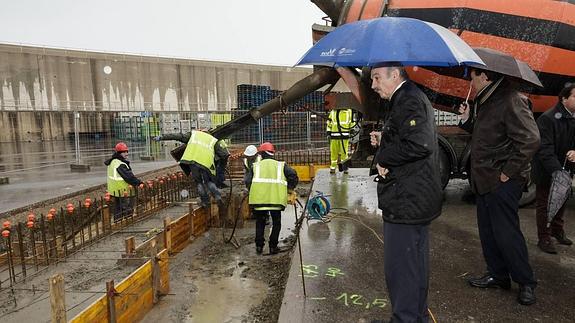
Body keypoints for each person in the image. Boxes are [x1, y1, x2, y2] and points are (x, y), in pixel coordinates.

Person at [458, 68, 540, 305]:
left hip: (501, 181)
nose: (470, 82)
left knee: (506, 233)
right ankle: (498, 275)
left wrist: (507, 172)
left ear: (484, 76)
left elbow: (531, 140)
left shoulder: (511, 99)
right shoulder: (486, 99)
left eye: (472, 77)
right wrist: (466, 121)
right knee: (488, 231)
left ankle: (526, 282)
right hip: (484, 180)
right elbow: (487, 135)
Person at [369, 64, 443, 323]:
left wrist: (383, 156)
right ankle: (416, 316)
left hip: (406, 200)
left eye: (377, 78)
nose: (373, 85)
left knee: (401, 269)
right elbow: (409, 136)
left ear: (395, 75)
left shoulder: (408, 99)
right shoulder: (407, 97)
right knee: (415, 266)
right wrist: (385, 138)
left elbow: (418, 143)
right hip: (414, 199)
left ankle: (406, 318)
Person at [531, 83, 575, 254]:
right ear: (564, 98)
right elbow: (544, 149)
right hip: (547, 171)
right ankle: (544, 238)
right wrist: (558, 172)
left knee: (562, 200)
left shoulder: (573, 116)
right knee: (545, 205)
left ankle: (557, 231)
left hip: (565, 169)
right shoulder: (547, 119)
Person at [245, 142, 298, 255]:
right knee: (276, 223)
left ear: (261, 154)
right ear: (273, 153)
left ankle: (259, 246)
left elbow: (247, 181)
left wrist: (252, 190)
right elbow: (293, 175)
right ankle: (273, 247)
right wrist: (290, 188)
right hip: (276, 200)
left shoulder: (255, 166)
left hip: (259, 201)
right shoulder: (281, 165)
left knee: (260, 222)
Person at [155, 130, 229, 208]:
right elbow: (224, 155)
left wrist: (162, 137)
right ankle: (218, 196)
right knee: (209, 181)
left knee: (199, 183)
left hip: (192, 162)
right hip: (206, 163)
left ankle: (205, 202)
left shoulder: (194, 134)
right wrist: (218, 165)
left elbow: (177, 136)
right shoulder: (213, 140)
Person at [104, 142, 143, 221]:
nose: (126, 154)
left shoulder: (112, 162)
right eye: (124, 152)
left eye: (127, 151)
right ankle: (127, 222)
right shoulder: (120, 164)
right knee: (126, 208)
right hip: (123, 190)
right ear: (119, 153)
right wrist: (139, 182)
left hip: (114, 190)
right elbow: (129, 177)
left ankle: (117, 222)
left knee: (118, 208)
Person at [327, 108, 354, 174]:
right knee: (335, 153)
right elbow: (329, 123)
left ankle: (342, 169)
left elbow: (352, 122)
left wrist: (329, 133)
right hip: (338, 136)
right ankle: (334, 168)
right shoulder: (333, 111)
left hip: (339, 136)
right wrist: (328, 132)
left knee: (343, 153)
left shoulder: (348, 111)